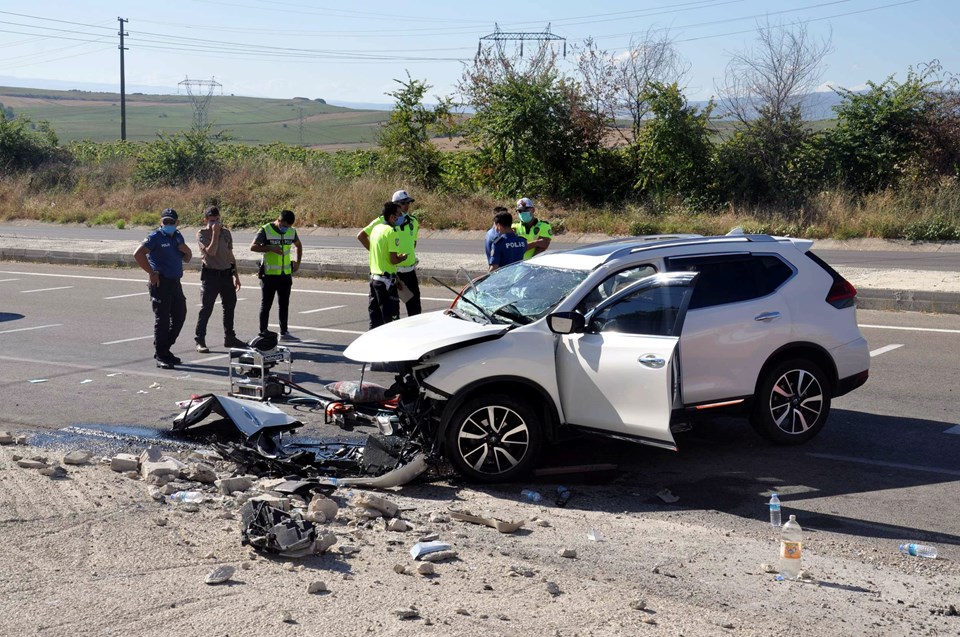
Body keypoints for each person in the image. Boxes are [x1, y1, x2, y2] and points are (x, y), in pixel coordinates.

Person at [133, 208, 192, 369]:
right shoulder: (155, 237)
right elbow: (138, 254)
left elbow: (186, 258)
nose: (168, 224)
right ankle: (161, 354)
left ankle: (165, 349)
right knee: (163, 320)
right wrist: (151, 273)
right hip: (161, 283)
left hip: (175, 282)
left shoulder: (178, 236)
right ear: (161, 222)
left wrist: (188, 252)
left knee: (180, 315)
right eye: (165, 221)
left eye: (171, 222)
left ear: (176, 223)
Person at [358, 189, 421, 316]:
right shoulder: (383, 220)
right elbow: (362, 236)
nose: (407, 206)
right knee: (388, 310)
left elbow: (413, 243)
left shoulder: (413, 221)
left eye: (408, 203)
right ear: (396, 205)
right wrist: (377, 252)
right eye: (403, 203)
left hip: (408, 271)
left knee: (415, 308)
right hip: (392, 272)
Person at [194, 205, 245, 353]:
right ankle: (200, 339)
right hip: (211, 275)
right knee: (206, 308)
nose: (215, 223)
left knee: (229, 306)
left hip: (225, 274)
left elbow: (230, 255)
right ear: (206, 220)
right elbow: (211, 252)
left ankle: (230, 337)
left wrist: (236, 276)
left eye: (217, 219)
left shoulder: (226, 233)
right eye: (211, 220)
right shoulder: (202, 234)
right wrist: (215, 233)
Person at [250, 209, 302, 341]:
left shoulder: (291, 231)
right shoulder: (266, 229)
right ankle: (263, 332)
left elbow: (298, 245)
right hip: (269, 274)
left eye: (288, 226)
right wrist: (270, 248)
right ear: (279, 221)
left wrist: (297, 263)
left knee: (284, 304)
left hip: (285, 274)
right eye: (284, 225)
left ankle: (284, 332)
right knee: (266, 304)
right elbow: (253, 247)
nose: (286, 229)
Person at [367, 202, 408, 329]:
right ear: (391, 217)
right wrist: (403, 258)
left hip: (374, 279)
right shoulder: (391, 232)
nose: (402, 217)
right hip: (386, 282)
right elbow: (393, 260)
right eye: (399, 214)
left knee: (375, 318)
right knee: (391, 319)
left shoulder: (376, 229)